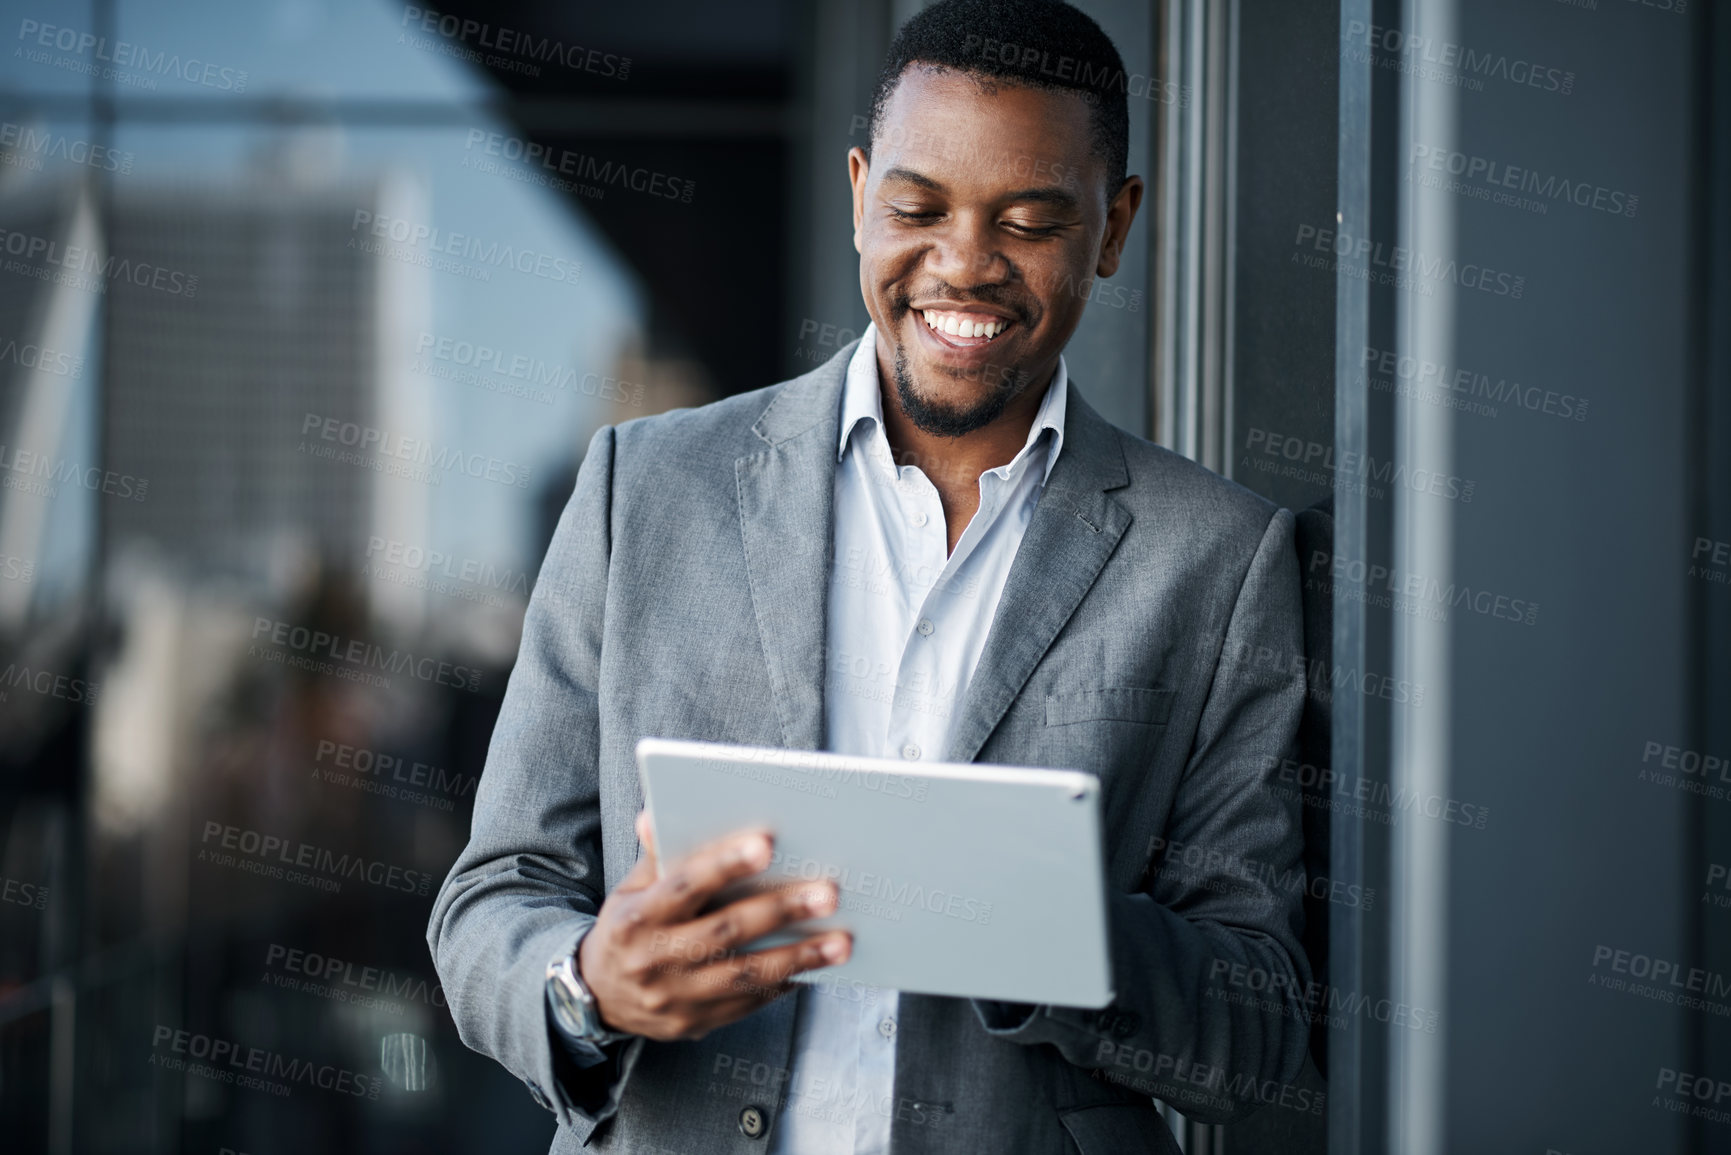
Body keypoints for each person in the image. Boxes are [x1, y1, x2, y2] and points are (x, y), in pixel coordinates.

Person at [428, 2, 1311, 1151]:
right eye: (915, 208)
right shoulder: (642, 491)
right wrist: (587, 985)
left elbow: (1265, 1026)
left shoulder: (1220, 558)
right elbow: (489, 900)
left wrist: (1049, 929)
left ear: (1115, 225)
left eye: (1031, 220)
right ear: (856, 197)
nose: (963, 264)